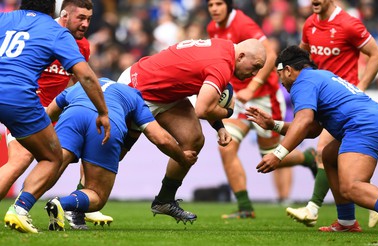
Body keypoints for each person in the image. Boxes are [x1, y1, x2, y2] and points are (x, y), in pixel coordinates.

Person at [246, 45, 378, 235]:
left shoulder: (301, 83)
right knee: (328, 156)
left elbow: (303, 121)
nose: (281, 81)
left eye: (279, 74)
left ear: (288, 70)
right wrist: (273, 125)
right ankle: (346, 220)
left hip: (364, 127)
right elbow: (313, 129)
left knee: (351, 186)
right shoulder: (320, 76)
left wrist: (277, 154)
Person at [117, 38, 264, 224]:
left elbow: (194, 78)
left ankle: (164, 200)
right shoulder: (222, 65)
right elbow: (202, 109)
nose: (256, 73)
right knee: (114, 153)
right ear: (241, 56)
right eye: (256, 66)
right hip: (139, 89)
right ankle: (81, 200)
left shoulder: (224, 47)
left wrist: (219, 126)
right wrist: (229, 111)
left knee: (193, 139)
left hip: (166, 92)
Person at [0, 0, 112, 228]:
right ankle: (20, 209)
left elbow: (75, 82)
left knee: (88, 136)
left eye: (88, 19)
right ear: (59, 11)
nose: (85, 24)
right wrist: (103, 111)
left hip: (46, 109)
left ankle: (82, 204)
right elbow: (87, 77)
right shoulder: (55, 33)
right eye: (80, 17)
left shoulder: (6, 19)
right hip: (25, 103)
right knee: (42, 158)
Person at [206, 0, 317, 218]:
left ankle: (309, 158)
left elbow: (271, 53)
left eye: (219, 4)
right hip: (238, 98)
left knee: (269, 154)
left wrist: (253, 86)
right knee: (225, 146)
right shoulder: (212, 28)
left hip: (264, 97)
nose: (214, 9)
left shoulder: (243, 24)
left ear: (228, 6)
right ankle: (245, 207)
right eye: (210, 5)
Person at [44, 78, 197, 231]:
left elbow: (49, 114)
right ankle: (64, 204)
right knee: (97, 194)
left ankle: (22, 205)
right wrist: (182, 159)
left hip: (72, 116)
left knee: (50, 167)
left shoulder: (84, 84)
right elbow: (161, 139)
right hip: (106, 125)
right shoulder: (135, 97)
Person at [285, 0, 378, 228]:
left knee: (323, 152)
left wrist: (361, 87)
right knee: (333, 159)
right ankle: (362, 205)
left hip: (343, 104)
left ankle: (313, 208)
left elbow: (376, 54)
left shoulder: (349, 24)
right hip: (322, 101)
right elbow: (302, 57)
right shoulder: (310, 24)